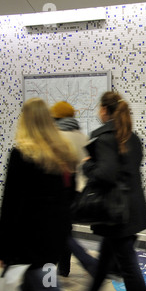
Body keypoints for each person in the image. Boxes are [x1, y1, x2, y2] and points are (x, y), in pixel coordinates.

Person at [0, 98, 79, 291]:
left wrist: (2, 248)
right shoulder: (61, 153)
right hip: (51, 245)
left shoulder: (21, 154)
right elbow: (67, 200)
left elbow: (11, 205)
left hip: (25, 245)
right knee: (44, 288)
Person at [83, 91, 146, 291]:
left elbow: (105, 174)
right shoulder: (133, 137)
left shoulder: (104, 138)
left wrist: (87, 166)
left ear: (104, 110)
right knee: (105, 263)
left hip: (115, 214)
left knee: (128, 267)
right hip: (130, 210)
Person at [50, 101, 98, 278]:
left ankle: (84, 262)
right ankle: (64, 269)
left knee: (58, 231)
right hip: (79, 192)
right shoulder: (82, 136)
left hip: (60, 190)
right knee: (65, 229)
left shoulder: (56, 136)